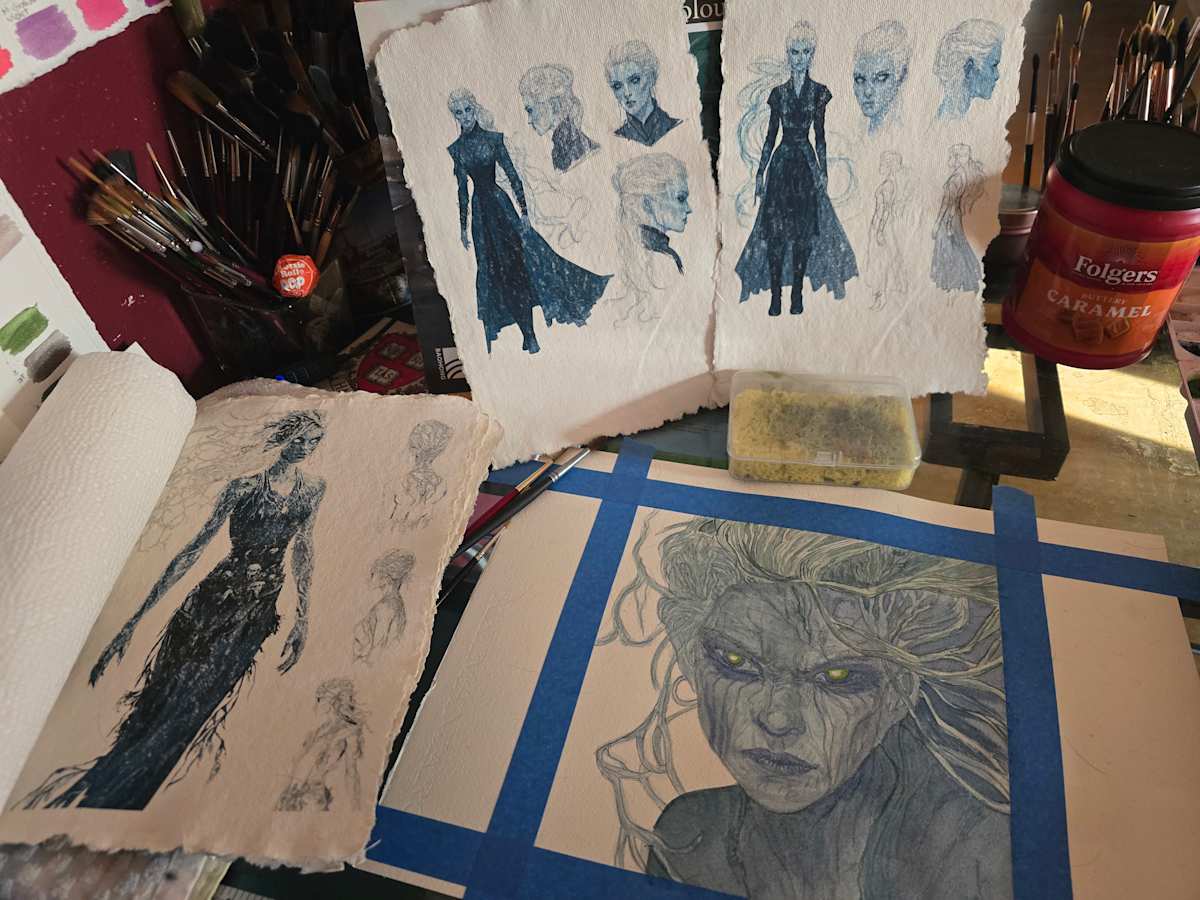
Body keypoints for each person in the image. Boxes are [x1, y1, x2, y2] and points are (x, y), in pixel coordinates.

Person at [596, 517, 1012, 898]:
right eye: (736, 662)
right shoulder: (691, 834)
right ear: (690, 657)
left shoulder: (975, 850)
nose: (778, 720)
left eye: (837, 678)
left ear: (897, 695)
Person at [21, 411, 328, 811]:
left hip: (257, 612)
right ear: (284, 438)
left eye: (314, 441)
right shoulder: (244, 487)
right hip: (210, 605)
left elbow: (304, 548)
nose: (306, 447)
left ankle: (131, 795)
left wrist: (303, 616)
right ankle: (107, 792)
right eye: (300, 438)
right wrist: (132, 623)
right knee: (164, 699)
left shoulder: (313, 490)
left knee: (197, 706)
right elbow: (193, 549)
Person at [447, 89, 610, 354]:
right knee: (495, 271)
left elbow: (513, 175)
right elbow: (462, 190)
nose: (464, 116)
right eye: (458, 112)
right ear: (454, 115)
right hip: (481, 215)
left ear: (474, 109)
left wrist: (523, 211)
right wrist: (463, 227)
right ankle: (527, 334)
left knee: (521, 264)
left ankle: (530, 334)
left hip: (502, 207)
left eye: (467, 110)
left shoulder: (493, 139)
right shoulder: (456, 150)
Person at [734, 22, 857, 316]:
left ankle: (797, 295)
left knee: (803, 235)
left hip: (805, 165)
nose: (799, 57)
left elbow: (820, 136)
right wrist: (760, 172)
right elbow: (770, 136)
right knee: (775, 234)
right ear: (787, 54)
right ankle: (776, 296)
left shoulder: (819, 93)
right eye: (794, 51)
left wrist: (823, 171)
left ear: (812, 54)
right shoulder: (778, 94)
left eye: (804, 52)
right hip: (780, 166)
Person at [611, 153, 691, 323]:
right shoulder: (665, 261)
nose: (689, 208)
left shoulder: (638, 249)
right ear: (647, 204)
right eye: (680, 198)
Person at [276, 679, 366, 811]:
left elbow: (351, 772)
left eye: (319, 700)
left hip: (311, 797)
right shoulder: (323, 729)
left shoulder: (348, 733)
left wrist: (356, 808)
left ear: (331, 703)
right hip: (296, 791)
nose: (316, 705)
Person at [518, 64, 599, 172]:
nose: (529, 120)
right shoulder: (561, 148)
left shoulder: (574, 150)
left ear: (553, 105)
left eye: (530, 110)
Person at [931, 143, 985, 292]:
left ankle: (953, 283)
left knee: (949, 249)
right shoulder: (969, 172)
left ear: (956, 157)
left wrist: (937, 223)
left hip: (949, 218)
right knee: (959, 246)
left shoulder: (956, 178)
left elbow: (946, 204)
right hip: (957, 216)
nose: (949, 159)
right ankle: (965, 281)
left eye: (952, 156)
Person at [606, 40, 682, 147]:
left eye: (634, 80)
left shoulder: (676, 127)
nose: (626, 93)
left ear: (650, 78)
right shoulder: (616, 139)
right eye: (618, 86)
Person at [865, 151, 910, 309]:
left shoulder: (888, 185)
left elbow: (886, 210)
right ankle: (879, 296)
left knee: (881, 262)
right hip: (878, 225)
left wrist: (879, 230)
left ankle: (881, 297)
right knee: (878, 261)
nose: (880, 166)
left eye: (883, 163)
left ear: (890, 166)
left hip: (882, 227)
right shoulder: (887, 183)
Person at [353, 550, 416, 663]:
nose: (369, 579)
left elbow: (379, 648)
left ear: (385, 579)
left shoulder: (385, 607)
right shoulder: (396, 603)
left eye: (373, 574)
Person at [934, 19, 1004, 120]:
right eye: (993, 65)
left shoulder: (955, 114)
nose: (997, 75)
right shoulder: (951, 119)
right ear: (969, 69)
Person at [852, 21, 911, 136]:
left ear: (901, 76)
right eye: (860, 79)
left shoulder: (905, 133)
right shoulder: (853, 135)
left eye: (880, 78)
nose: (867, 91)